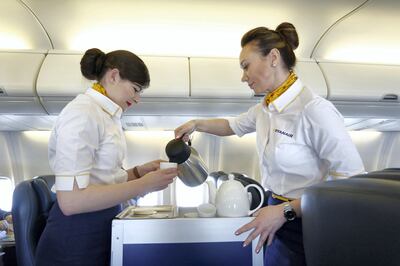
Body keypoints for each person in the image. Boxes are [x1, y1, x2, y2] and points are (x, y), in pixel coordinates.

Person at [174, 22, 365, 266]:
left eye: (246, 66)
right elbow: (231, 125)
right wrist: (195, 124)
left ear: (273, 57)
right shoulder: (265, 108)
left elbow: (350, 181)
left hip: (308, 222)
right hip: (274, 212)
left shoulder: (314, 110)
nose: (243, 77)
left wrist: (286, 212)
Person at [35, 48, 177, 266]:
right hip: (73, 241)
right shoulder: (82, 113)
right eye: (135, 89)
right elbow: (71, 201)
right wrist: (143, 185)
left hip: (97, 228)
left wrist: (139, 172)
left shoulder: (107, 115)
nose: (138, 99)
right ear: (113, 76)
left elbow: (101, 179)